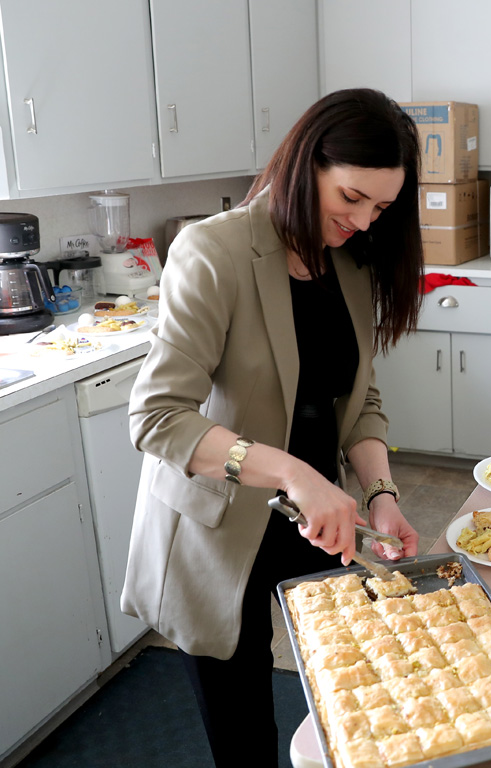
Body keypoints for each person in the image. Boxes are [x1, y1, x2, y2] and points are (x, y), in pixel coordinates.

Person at [121, 88, 424, 766]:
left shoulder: (346, 259)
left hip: (313, 517)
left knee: (348, 692)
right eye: (350, 197)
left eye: (380, 208)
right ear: (304, 164)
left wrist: (380, 493)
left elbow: (359, 397)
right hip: (220, 525)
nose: (363, 221)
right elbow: (158, 417)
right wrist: (294, 471)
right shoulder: (215, 251)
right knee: (243, 731)